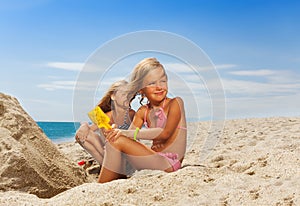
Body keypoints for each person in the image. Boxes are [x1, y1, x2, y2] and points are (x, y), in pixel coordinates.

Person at [98, 57, 187, 183]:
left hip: (169, 163)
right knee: (115, 139)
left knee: (118, 140)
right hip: (152, 160)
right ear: (141, 89)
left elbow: (165, 133)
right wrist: (114, 132)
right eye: (151, 83)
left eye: (163, 81)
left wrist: (125, 133)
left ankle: (101, 185)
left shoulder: (176, 103)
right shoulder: (142, 111)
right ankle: (113, 178)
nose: (159, 87)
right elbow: (129, 137)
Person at [75, 80, 135, 166]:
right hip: (108, 153)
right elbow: (89, 131)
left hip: (127, 155)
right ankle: (105, 165)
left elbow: (135, 135)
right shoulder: (104, 116)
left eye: (129, 95)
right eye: (123, 94)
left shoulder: (131, 114)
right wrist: (84, 125)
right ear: (113, 96)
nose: (127, 97)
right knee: (81, 136)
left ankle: (110, 166)